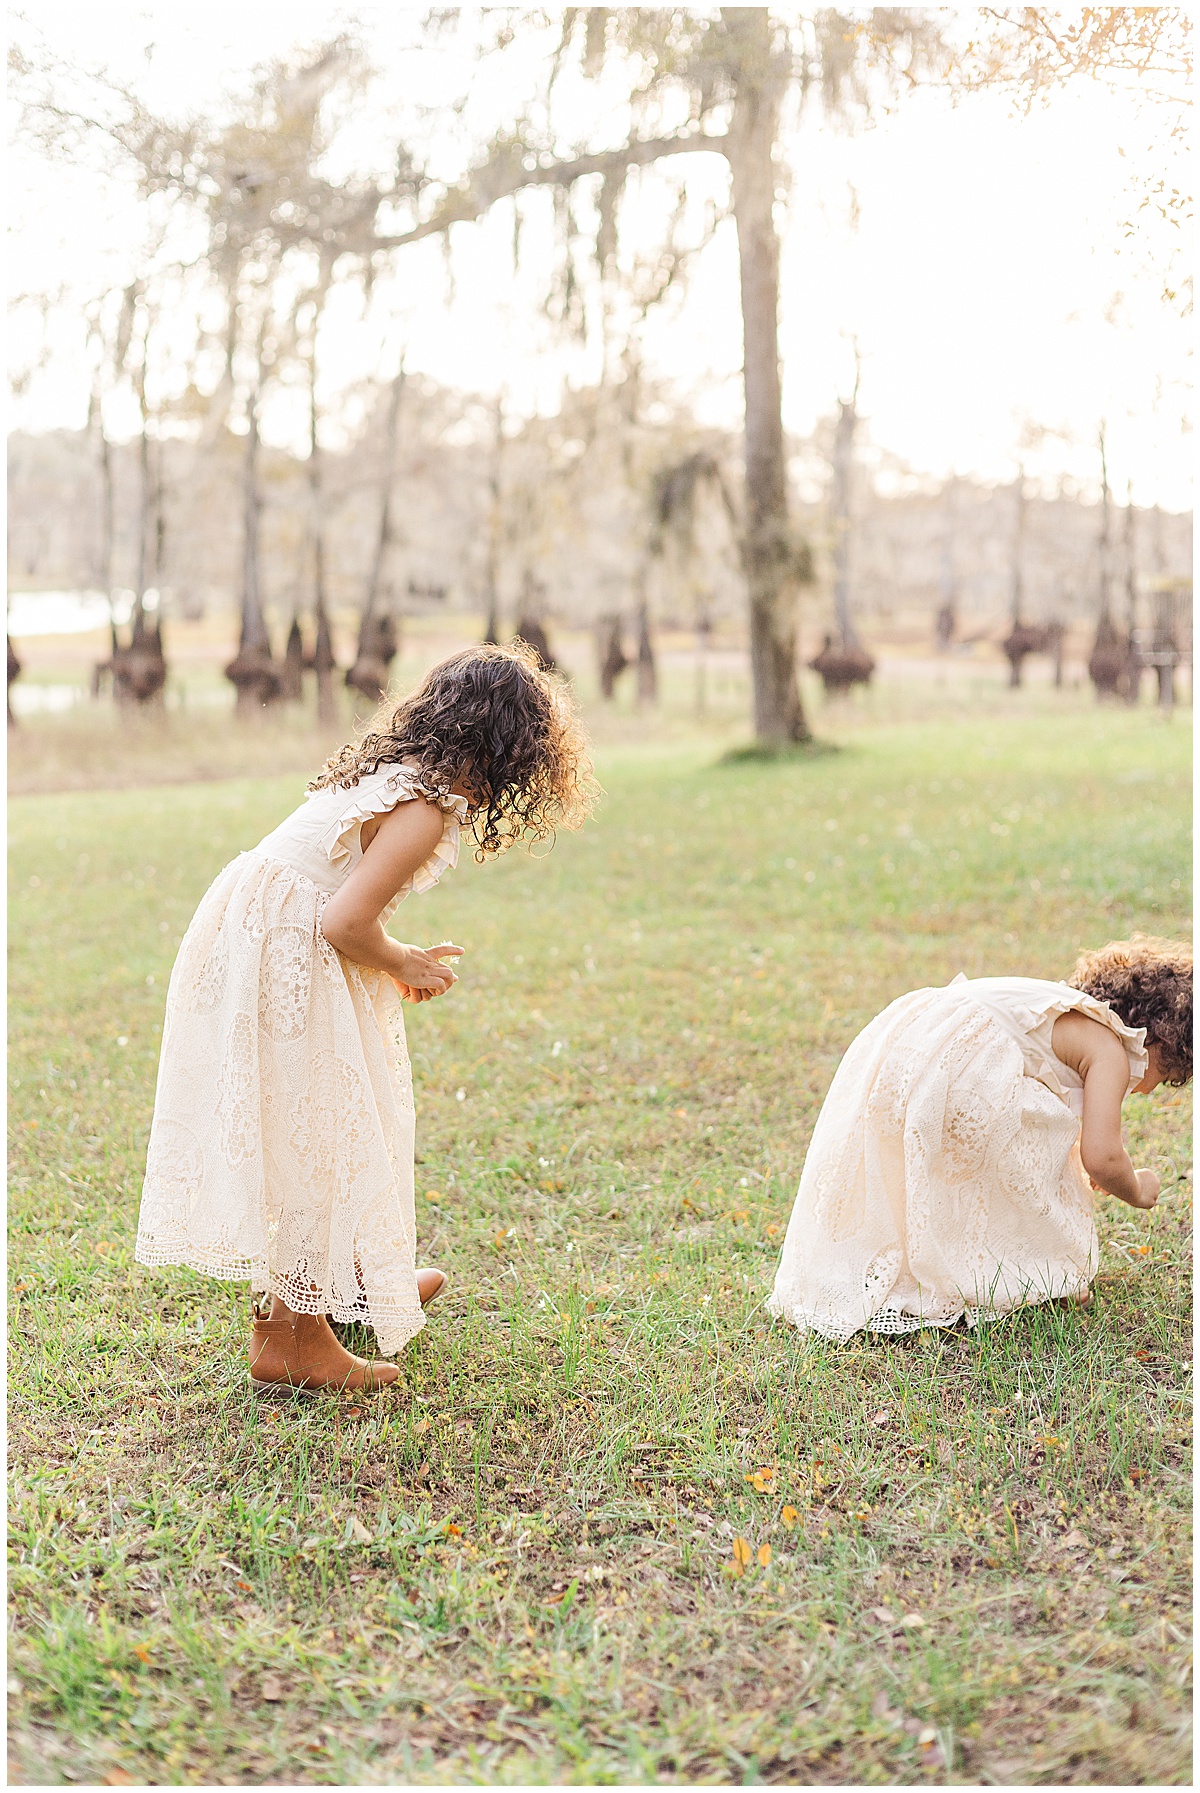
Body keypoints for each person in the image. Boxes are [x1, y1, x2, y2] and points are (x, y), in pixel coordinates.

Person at [136, 644, 595, 1395]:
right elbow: (346, 922)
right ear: (511, 748)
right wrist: (402, 961)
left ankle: (345, 1284)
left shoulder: (393, 774)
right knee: (312, 1124)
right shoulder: (424, 807)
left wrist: (392, 950)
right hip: (286, 945)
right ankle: (288, 1336)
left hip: (255, 928)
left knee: (333, 1110)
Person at [769, 938, 1192, 1341]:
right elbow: (1103, 1156)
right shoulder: (1112, 1050)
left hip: (908, 1044)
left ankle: (925, 1271)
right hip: (963, 1073)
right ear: (1162, 1040)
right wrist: (1137, 1188)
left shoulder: (1060, 1007)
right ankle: (1039, 1278)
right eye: (1168, 1076)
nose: (1152, 1089)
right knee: (1034, 1168)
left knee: (963, 1168)